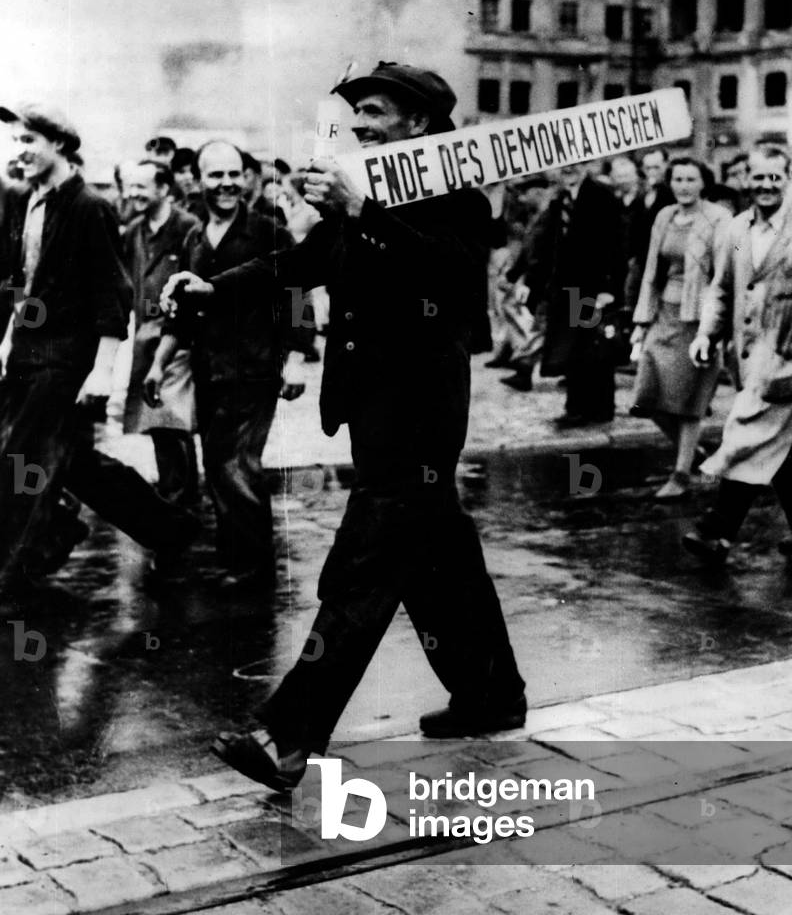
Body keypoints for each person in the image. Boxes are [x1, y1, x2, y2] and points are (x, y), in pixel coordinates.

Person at [161, 62, 526, 789]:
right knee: (438, 555)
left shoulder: (455, 195)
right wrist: (211, 289)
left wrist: (364, 214)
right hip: (374, 409)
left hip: (421, 414)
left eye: (375, 114)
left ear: (418, 123)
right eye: (356, 115)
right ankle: (491, 694)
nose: (359, 126)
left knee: (364, 568)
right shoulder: (364, 192)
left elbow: (449, 277)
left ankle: (288, 736)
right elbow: (301, 261)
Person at [0, 103, 194, 591]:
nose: (18, 151)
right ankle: (169, 529)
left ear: (59, 144)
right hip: (26, 355)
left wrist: (102, 370)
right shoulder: (27, 201)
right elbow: (16, 280)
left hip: (64, 360)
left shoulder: (90, 206)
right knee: (75, 463)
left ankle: (19, 565)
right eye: (15, 141)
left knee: (22, 457)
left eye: (28, 141)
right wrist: (5, 340)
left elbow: (112, 294)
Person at [145, 141, 304, 594]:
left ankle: (253, 568)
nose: (227, 183)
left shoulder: (269, 232)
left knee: (236, 464)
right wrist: (158, 365)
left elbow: (297, 295)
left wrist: (295, 359)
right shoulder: (194, 238)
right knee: (219, 464)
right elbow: (181, 312)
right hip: (209, 371)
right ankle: (239, 560)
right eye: (215, 175)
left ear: (247, 177)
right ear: (198, 180)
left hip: (254, 370)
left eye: (234, 174)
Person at [684, 146, 792, 563]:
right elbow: (722, 288)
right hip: (749, 362)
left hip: (791, 362)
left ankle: (716, 530)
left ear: (788, 179)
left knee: (747, 437)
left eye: (775, 177)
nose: (766, 185)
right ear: (746, 179)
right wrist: (706, 334)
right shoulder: (736, 230)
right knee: (785, 451)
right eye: (758, 177)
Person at [630, 158, 731, 499]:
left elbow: (725, 273)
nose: (684, 186)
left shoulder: (718, 218)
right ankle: (694, 454)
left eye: (691, 179)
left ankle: (681, 474)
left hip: (698, 319)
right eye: (678, 179)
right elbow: (651, 269)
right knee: (647, 397)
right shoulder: (664, 216)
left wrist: (716, 327)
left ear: (703, 183)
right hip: (664, 314)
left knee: (688, 401)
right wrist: (642, 319)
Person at [122, 160, 201, 510]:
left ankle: (180, 500)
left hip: (179, 337)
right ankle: (179, 497)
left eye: (141, 186)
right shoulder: (134, 231)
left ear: (164, 189)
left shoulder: (188, 227)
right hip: (145, 338)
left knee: (170, 418)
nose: (132, 193)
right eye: (130, 186)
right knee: (157, 419)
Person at [530, 163, 626, 427]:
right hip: (566, 289)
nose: (568, 169)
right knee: (574, 348)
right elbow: (549, 244)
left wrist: (609, 289)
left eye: (574, 164)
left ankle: (598, 408)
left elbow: (616, 245)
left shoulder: (601, 197)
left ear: (585, 165)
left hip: (592, 287)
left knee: (594, 348)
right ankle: (577, 407)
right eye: (563, 166)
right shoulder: (561, 199)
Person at [491, 176, 552, 392]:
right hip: (544, 282)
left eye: (526, 194)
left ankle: (524, 370)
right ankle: (523, 369)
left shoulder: (549, 218)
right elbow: (528, 252)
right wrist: (513, 276)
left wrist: (528, 281)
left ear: (537, 192)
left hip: (551, 283)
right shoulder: (539, 217)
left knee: (546, 326)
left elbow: (539, 255)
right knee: (541, 326)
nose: (522, 199)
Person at [623, 147, 675, 315]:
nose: (652, 172)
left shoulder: (671, 194)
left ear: (666, 166)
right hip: (640, 262)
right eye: (648, 168)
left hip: (663, 264)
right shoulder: (641, 196)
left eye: (656, 167)